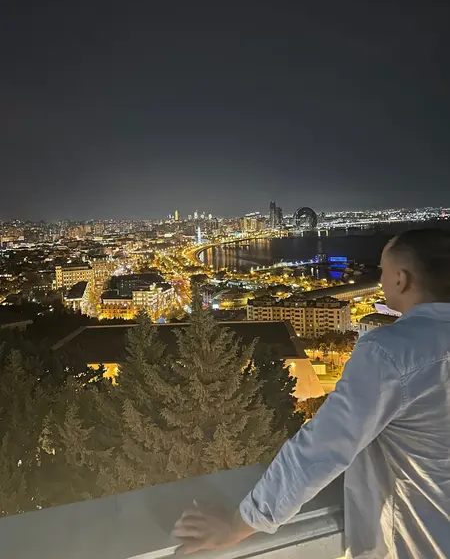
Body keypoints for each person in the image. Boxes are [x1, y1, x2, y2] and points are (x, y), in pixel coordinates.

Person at [173, 228, 450, 558]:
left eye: (382, 271)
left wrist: (241, 522)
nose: (379, 279)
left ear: (401, 279)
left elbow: (322, 447)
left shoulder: (389, 352)